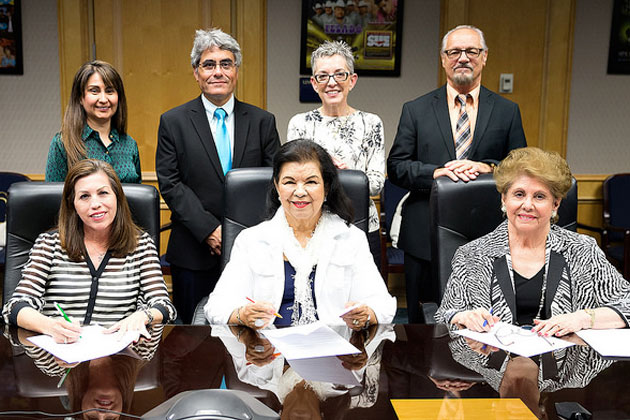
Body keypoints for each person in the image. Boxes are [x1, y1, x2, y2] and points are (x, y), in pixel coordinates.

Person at [387, 25, 526, 323]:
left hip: (487, 233)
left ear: (484, 57)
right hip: (424, 233)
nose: (463, 58)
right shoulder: (416, 109)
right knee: (421, 326)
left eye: (471, 51)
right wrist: (436, 172)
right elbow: (396, 166)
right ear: (443, 59)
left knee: (487, 324)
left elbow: (521, 166)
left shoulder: (507, 111)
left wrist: (489, 168)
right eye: (454, 52)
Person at [436, 147, 630, 336]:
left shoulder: (583, 250)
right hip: (493, 362)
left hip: (565, 363)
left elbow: (626, 304)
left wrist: (581, 318)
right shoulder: (472, 255)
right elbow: (444, 316)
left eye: (539, 196)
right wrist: (463, 316)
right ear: (504, 199)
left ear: (556, 203)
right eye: (519, 194)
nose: (527, 205)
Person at [156, 28, 280, 324]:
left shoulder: (263, 121)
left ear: (236, 70)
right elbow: (171, 184)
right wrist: (210, 230)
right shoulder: (173, 122)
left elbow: (273, 182)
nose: (218, 72)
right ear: (196, 73)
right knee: (192, 341)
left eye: (226, 63)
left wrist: (243, 234)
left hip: (252, 250)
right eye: (208, 64)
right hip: (193, 251)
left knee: (251, 335)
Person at [204, 139, 396, 329]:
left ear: (326, 187)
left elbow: (382, 305)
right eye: (289, 182)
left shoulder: (350, 239)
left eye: (311, 182)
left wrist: (368, 314)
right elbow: (217, 307)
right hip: (268, 351)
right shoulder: (251, 240)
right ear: (277, 187)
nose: (300, 192)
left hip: (333, 351)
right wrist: (241, 314)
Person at [2, 159, 176, 342]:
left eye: (103, 193)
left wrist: (144, 316)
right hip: (59, 357)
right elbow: (15, 307)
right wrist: (49, 326)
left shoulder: (141, 244)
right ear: (73, 204)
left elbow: (164, 306)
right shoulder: (49, 244)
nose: (95, 204)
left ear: (117, 196)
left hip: (117, 356)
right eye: (84, 196)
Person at [288, 40, 385, 269]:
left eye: (340, 75)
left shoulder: (371, 123)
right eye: (323, 76)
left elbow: (377, 183)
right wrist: (328, 172)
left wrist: (341, 175)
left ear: (352, 80)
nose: (332, 83)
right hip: (311, 229)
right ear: (314, 83)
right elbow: (295, 180)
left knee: (361, 300)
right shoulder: (299, 124)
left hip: (360, 225)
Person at [45, 61, 141, 184]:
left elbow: (139, 196)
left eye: (109, 91)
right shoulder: (63, 143)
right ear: (80, 97)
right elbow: (54, 198)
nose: (103, 99)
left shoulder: (130, 144)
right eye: (94, 91)